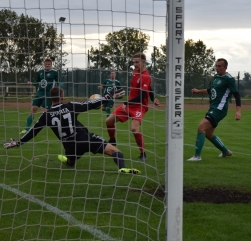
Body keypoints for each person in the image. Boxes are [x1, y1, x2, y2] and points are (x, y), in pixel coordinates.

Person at [4, 87, 139, 174]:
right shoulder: (70, 106)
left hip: (70, 146)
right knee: (116, 152)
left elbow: (33, 131)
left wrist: (19, 142)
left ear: (51, 99)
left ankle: (68, 159)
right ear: (62, 97)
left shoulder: (45, 116)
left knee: (71, 162)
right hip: (86, 140)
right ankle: (122, 167)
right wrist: (107, 98)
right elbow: (90, 104)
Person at [105, 52, 160, 161]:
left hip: (139, 106)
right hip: (130, 104)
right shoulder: (135, 72)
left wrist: (126, 103)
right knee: (108, 121)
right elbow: (149, 88)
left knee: (134, 128)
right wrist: (154, 99)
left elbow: (142, 96)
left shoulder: (146, 76)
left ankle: (143, 154)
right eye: (134, 62)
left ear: (143, 62)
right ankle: (112, 140)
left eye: (137, 62)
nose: (135, 64)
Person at [187, 58, 241, 161]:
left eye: (219, 66)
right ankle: (225, 152)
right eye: (216, 66)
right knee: (208, 134)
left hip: (219, 109)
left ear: (225, 67)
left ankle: (197, 156)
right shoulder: (216, 77)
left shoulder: (229, 79)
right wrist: (198, 91)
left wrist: (238, 111)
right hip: (213, 108)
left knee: (201, 127)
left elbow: (237, 95)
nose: (217, 68)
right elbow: (211, 90)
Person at [21, 58, 59, 134]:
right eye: (46, 64)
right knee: (33, 109)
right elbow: (36, 81)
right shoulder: (40, 72)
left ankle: (54, 124)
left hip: (48, 95)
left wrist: (57, 91)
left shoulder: (55, 73)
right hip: (39, 94)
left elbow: (59, 82)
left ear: (51, 65)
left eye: (49, 64)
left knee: (43, 112)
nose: (47, 65)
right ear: (44, 64)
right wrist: (31, 83)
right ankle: (27, 129)